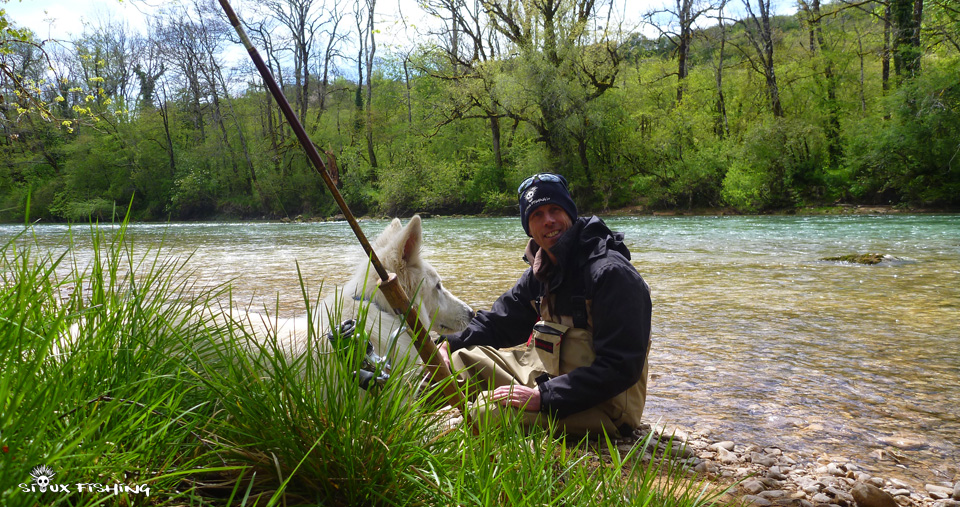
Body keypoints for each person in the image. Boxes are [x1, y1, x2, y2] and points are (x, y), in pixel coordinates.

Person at [438, 173, 651, 438]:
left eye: (555, 210)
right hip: (547, 378)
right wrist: (447, 345)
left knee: (486, 411)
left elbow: (621, 366)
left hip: (606, 405)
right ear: (529, 228)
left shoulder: (611, 274)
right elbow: (499, 322)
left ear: (570, 214)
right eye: (537, 214)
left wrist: (544, 397)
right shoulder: (541, 272)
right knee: (456, 362)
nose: (548, 220)